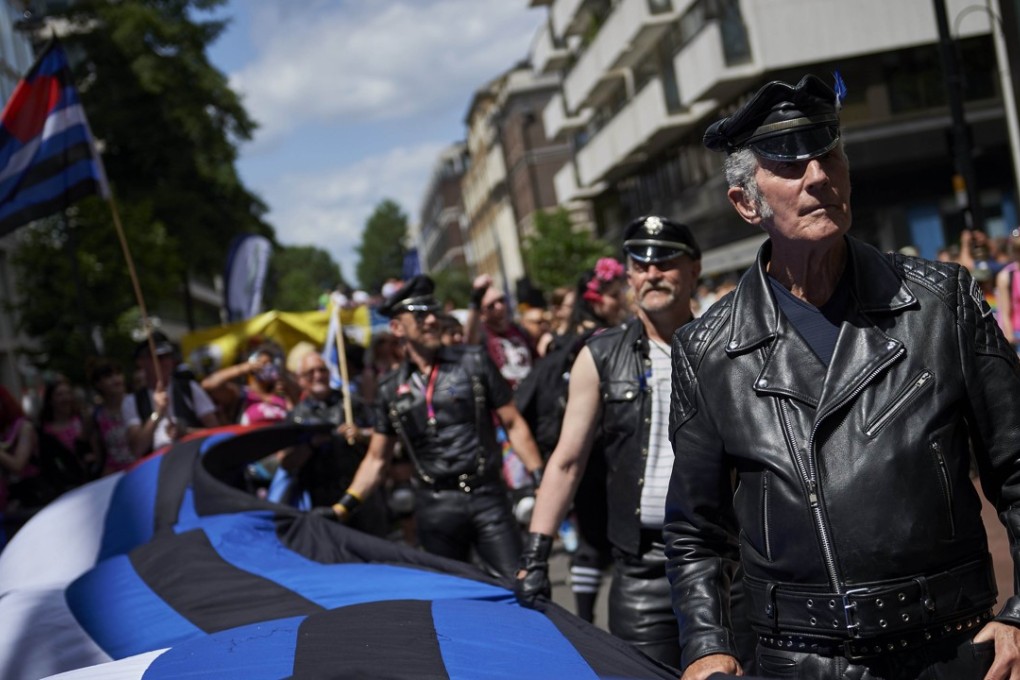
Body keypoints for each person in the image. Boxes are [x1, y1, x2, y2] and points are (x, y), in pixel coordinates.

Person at [664, 74, 1020, 679]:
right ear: (746, 202)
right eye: (789, 164)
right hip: (800, 661)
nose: (818, 176)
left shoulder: (941, 303)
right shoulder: (707, 349)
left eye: (828, 155)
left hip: (951, 650)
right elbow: (696, 531)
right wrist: (706, 647)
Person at [514, 216, 706, 668]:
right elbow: (567, 461)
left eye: (665, 262)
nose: (651, 274)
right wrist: (536, 553)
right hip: (640, 571)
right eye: (639, 264)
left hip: (724, 565)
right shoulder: (599, 355)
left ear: (695, 269)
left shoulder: (725, 345)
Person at [330, 275, 545, 579]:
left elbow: (512, 423)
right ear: (397, 327)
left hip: (487, 498)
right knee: (453, 605)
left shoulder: (474, 362)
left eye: (433, 311)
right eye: (419, 314)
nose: (431, 320)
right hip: (435, 509)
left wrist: (540, 478)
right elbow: (377, 459)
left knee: (521, 586)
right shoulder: (389, 388)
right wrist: (342, 506)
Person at [515, 257, 629, 624]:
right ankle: (589, 623)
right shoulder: (600, 344)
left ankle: (583, 621)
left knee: (593, 542)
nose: (621, 300)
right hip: (601, 456)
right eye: (614, 295)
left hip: (585, 455)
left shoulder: (561, 343)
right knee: (612, 543)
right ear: (596, 301)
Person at [270, 350, 388, 536]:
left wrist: (361, 434)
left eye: (322, 370)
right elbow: (286, 462)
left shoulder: (351, 403)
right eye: (311, 372)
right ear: (300, 380)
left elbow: (384, 434)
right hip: (321, 500)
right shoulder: (296, 417)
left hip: (360, 495)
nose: (318, 376)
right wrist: (310, 445)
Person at [123, 331, 220, 457]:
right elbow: (137, 449)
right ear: (141, 362)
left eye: (168, 356)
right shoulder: (131, 401)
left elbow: (217, 433)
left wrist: (187, 432)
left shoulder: (189, 388)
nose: (164, 362)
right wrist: (157, 413)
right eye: (158, 357)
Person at [466, 274, 536, 388]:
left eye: (501, 300)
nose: (499, 307)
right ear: (482, 314)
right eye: (491, 306)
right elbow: (470, 335)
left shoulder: (520, 330)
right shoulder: (483, 336)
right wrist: (476, 297)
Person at [86, 358, 134, 476]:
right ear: (98, 384)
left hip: (143, 466)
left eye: (118, 374)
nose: (115, 379)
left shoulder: (137, 402)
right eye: (108, 376)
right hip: (114, 474)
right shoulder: (96, 415)